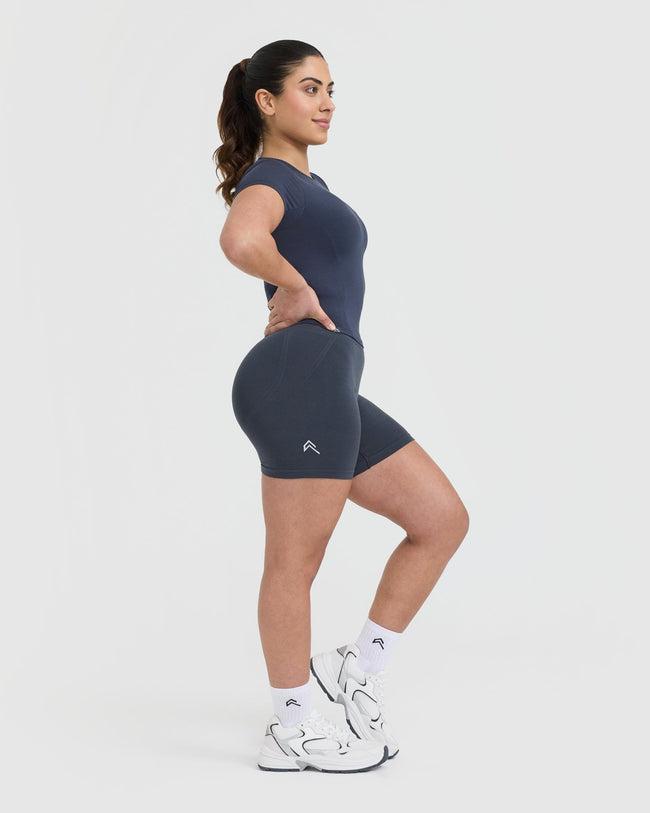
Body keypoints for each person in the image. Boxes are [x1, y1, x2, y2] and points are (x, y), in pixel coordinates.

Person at [213, 39, 470, 773]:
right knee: (295, 560)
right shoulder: (269, 180)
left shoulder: (308, 184)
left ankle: (354, 668)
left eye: (331, 89)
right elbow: (240, 237)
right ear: (267, 102)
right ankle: (291, 723)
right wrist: (294, 286)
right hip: (298, 379)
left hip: (329, 382)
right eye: (309, 88)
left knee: (440, 519)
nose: (327, 103)